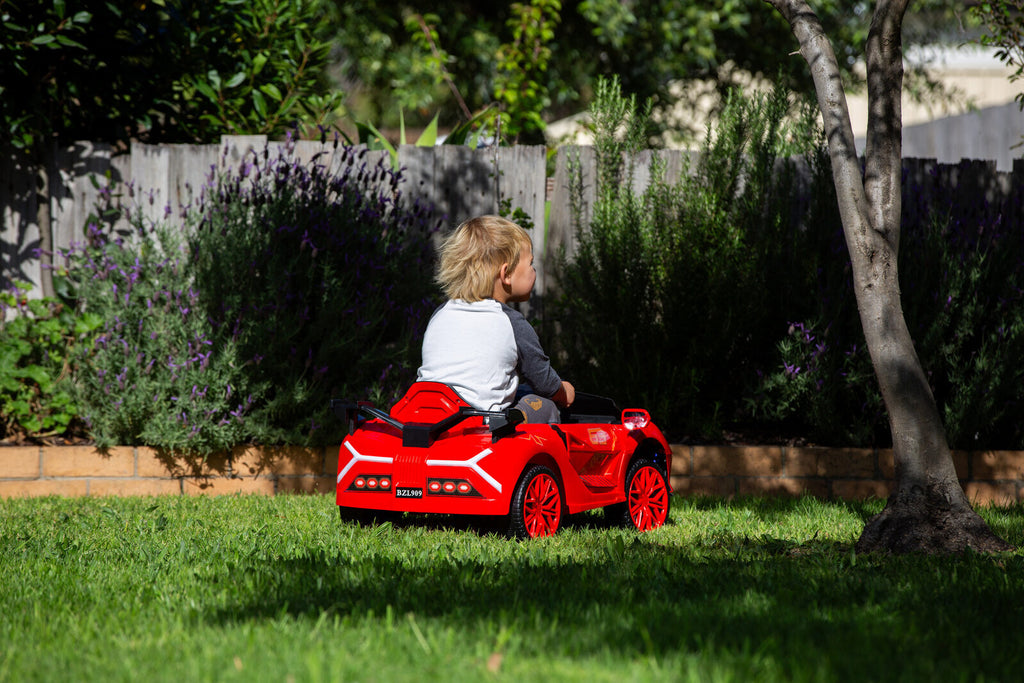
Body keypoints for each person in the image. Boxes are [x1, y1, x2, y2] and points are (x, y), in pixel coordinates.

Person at [416, 215, 575, 423]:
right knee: (544, 405)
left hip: (427, 417)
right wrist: (564, 390)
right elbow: (544, 382)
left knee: (519, 391)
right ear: (506, 274)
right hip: (479, 425)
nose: (533, 271)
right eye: (530, 264)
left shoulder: (440, 313)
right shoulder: (511, 322)